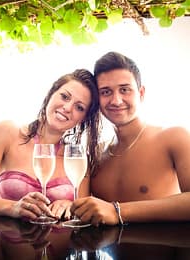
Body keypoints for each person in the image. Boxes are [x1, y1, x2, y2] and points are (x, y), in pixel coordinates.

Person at [0, 69, 101, 222]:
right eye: (64, 97)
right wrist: (13, 208)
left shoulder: (78, 159)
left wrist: (70, 206)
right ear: (51, 94)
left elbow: (81, 213)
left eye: (79, 107)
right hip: (9, 243)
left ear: (83, 119)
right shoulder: (7, 132)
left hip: (60, 244)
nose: (67, 107)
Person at [71, 51, 190, 226]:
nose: (116, 100)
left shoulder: (174, 137)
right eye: (106, 92)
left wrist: (117, 211)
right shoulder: (96, 154)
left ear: (141, 93)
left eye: (124, 90)